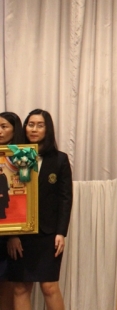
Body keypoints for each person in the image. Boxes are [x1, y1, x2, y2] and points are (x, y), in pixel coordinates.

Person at [7, 109, 73, 310]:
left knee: (49, 287)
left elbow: (65, 199)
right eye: (30, 124)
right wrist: (12, 234)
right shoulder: (14, 157)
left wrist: (61, 232)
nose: (34, 129)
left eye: (40, 125)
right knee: (20, 287)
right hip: (21, 234)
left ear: (48, 129)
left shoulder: (60, 159)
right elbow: (10, 197)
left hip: (48, 233)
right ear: (24, 127)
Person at [0, 112, 26, 310]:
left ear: (15, 129)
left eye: (4, 127)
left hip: (9, 229)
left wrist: (13, 234)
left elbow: (23, 197)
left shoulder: (22, 157)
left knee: (6, 282)